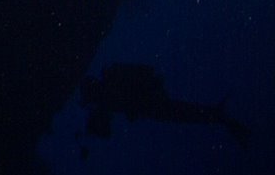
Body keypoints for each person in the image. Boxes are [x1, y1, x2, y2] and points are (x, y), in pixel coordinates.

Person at [79, 61, 251, 150]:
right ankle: (219, 116)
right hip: (150, 104)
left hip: (150, 104)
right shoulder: (109, 88)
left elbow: (107, 128)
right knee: (181, 113)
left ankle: (219, 116)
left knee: (181, 113)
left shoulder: (109, 90)